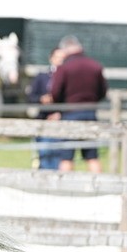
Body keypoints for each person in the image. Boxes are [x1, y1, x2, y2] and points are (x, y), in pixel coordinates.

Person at [49, 35, 107, 173]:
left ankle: (65, 190)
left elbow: (55, 92)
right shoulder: (95, 66)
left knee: (66, 157)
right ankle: (99, 189)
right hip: (90, 113)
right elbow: (103, 91)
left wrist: (59, 105)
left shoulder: (64, 68)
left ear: (65, 49)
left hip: (70, 114)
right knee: (92, 155)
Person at [25, 46, 65, 170]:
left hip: (62, 123)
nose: (60, 61)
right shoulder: (42, 77)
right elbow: (31, 97)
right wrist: (41, 99)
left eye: (62, 58)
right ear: (51, 58)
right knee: (44, 156)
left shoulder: (68, 77)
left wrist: (60, 114)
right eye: (57, 58)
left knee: (59, 158)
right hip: (44, 120)